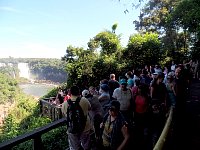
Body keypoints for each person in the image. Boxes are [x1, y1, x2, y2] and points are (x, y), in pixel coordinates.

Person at [62, 86, 91, 150]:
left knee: (74, 147)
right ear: (79, 92)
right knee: (86, 144)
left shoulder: (65, 104)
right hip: (85, 126)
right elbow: (89, 108)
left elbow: (64, 114)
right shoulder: (84, 100)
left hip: (72, 128)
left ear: (70, 93)